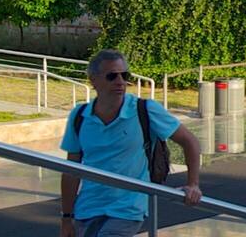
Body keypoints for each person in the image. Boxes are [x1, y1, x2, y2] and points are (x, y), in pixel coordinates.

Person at [59, 50, 204, 237]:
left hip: (128, 208)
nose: (120, 82)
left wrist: (193, 184)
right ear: (93, 80)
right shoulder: (80, 116)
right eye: (112, 76)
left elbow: (189, 141)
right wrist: (66, 218)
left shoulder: (145, 109)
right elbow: (72, 170)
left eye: (124, 75)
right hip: (88, 208)